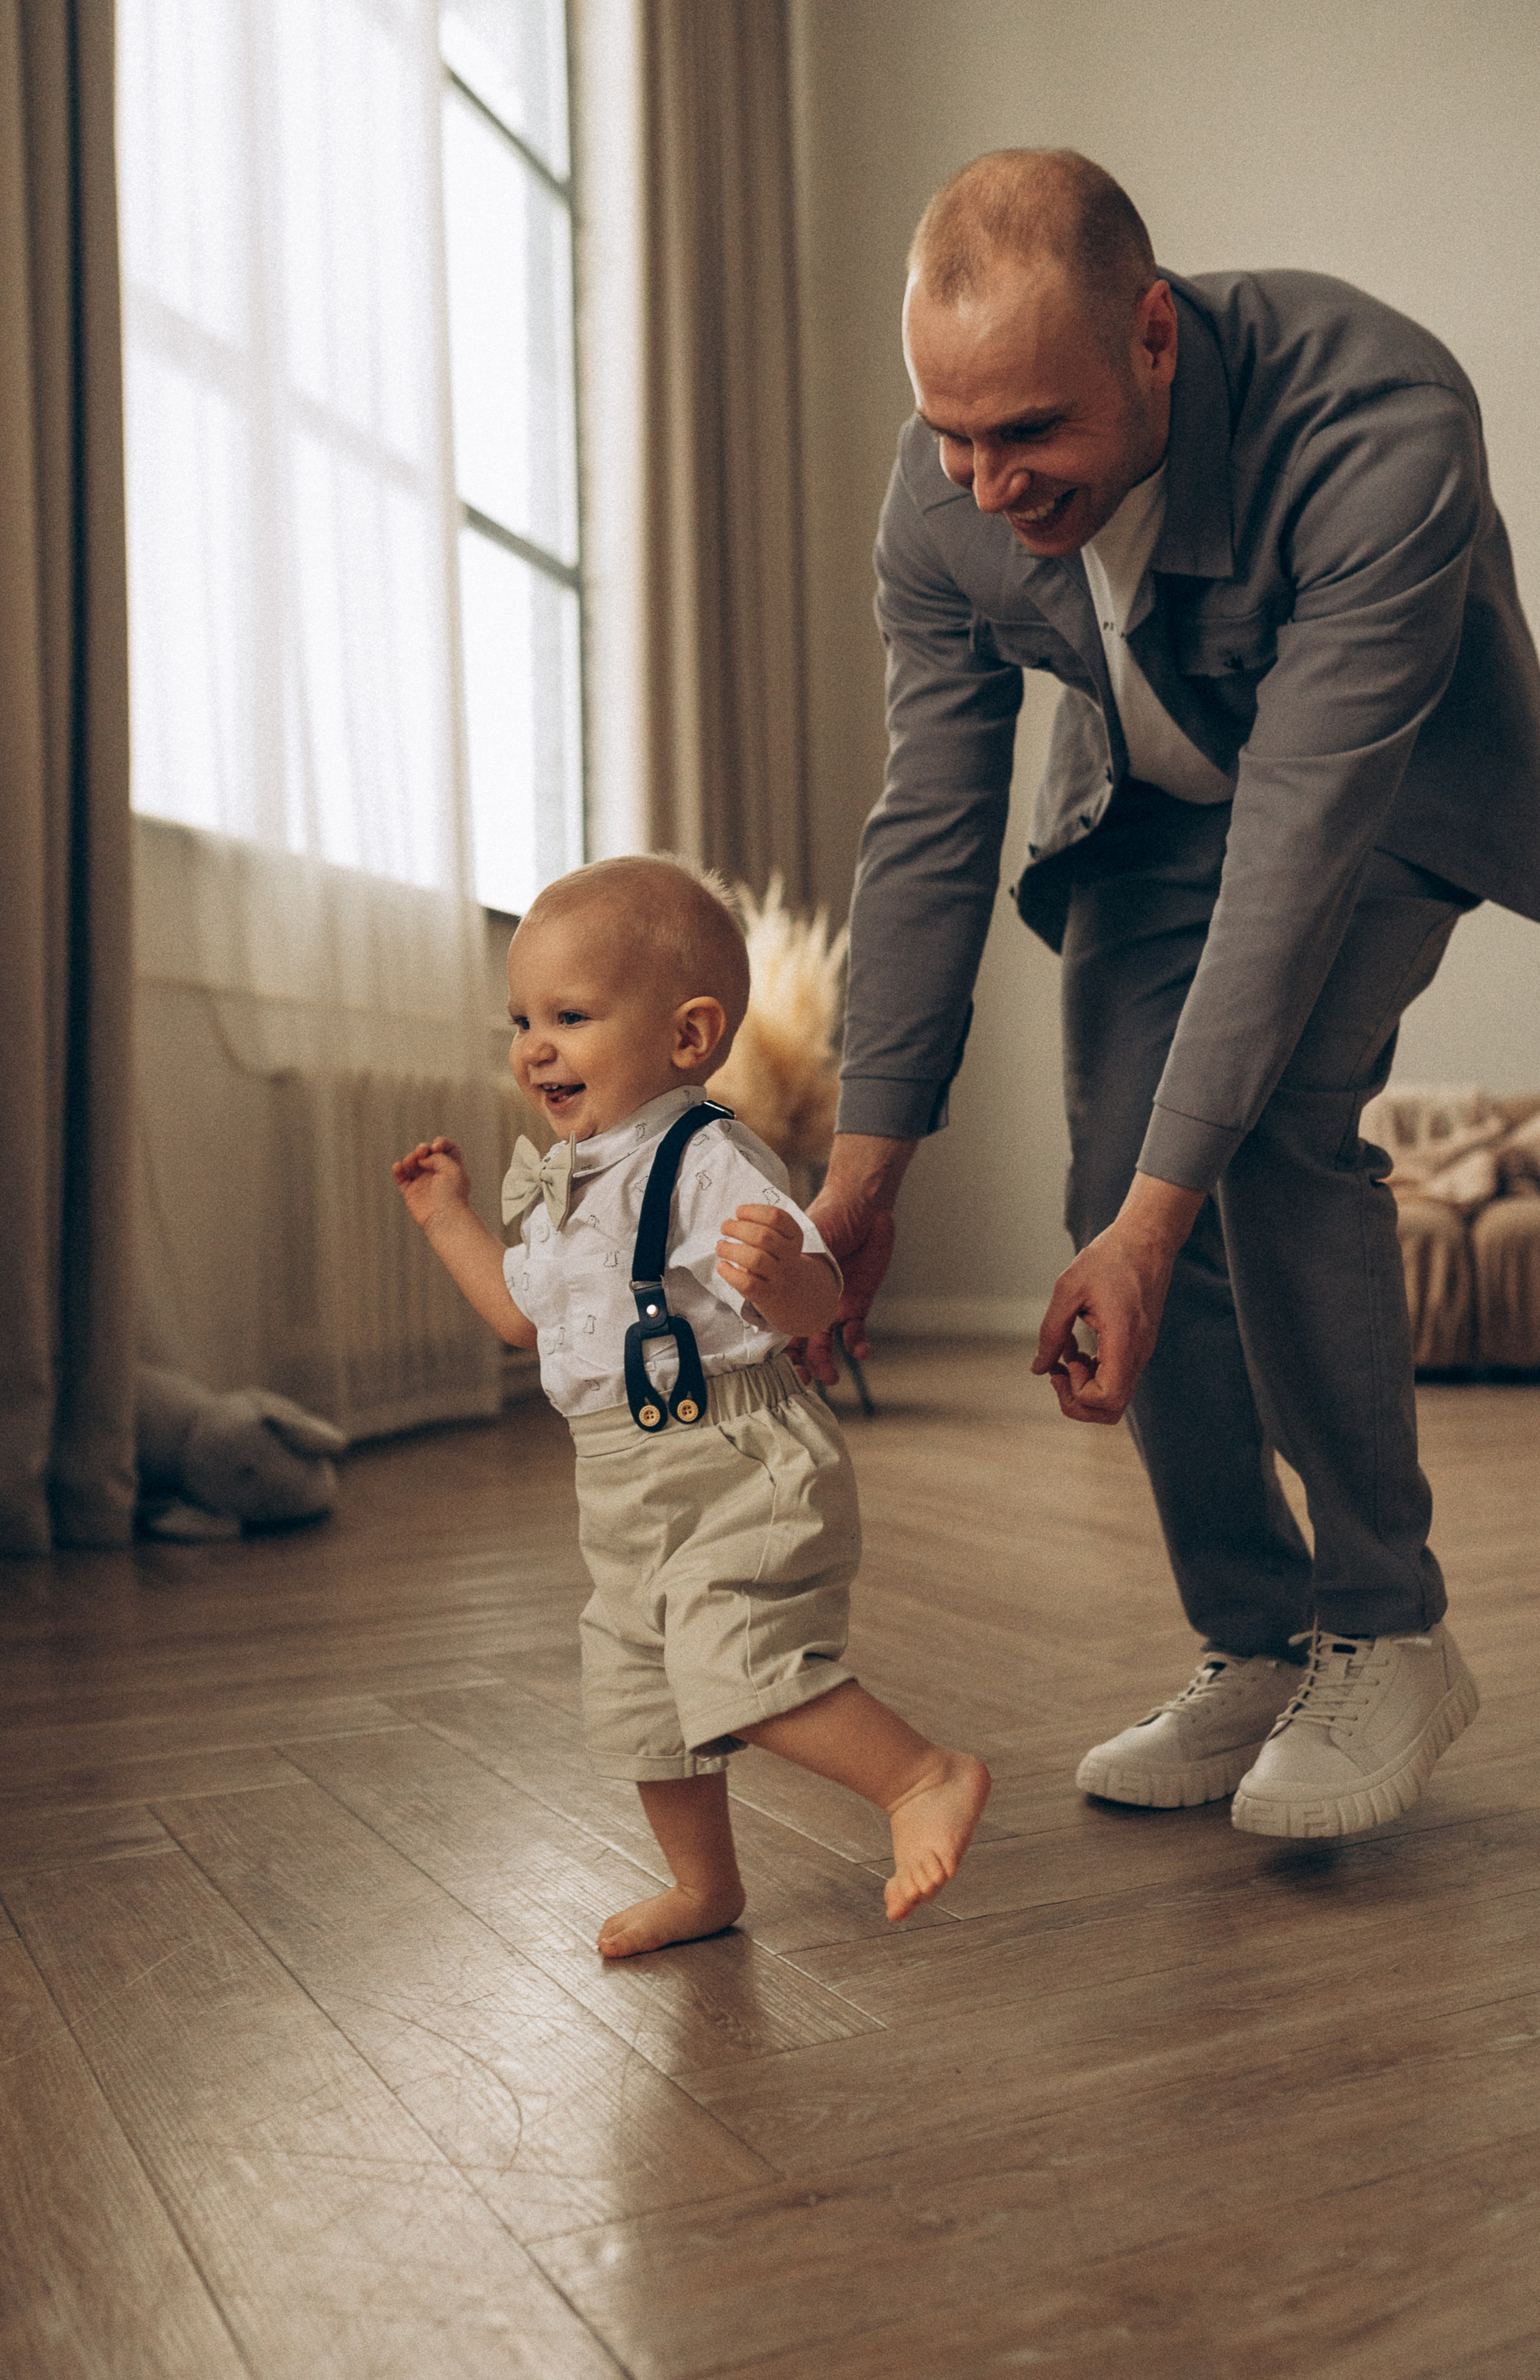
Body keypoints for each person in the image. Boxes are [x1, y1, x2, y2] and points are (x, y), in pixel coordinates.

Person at [805, 149, 1540, 1841]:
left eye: (1029, 434)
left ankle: (1387, 1625)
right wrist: (863, 1181)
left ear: (1152, 337)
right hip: (1143, 802)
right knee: (1107, 1189)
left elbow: (1294, 851)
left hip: (1379, 795)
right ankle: (1259, 1638)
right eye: (952, 435)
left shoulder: (1382, 425)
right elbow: (930, 822)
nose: (988, 485)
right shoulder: (944, 490)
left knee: (1262, 1128)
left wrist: (1162, 1219)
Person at [393, 856, 991, 1957]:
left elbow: (814, 1300)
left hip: (732, 1452)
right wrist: (447, 1221)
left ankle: (921, 1776)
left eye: (570, 1016)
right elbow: (521, 1320)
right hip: (618, 1477)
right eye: (522, 1020)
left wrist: (787, 1278)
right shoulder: (570, 1180)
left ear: (688, 1035)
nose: (535, 1045)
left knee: (741, 1663)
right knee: (640, 1692)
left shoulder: (707, 1156)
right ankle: (704, 1883)